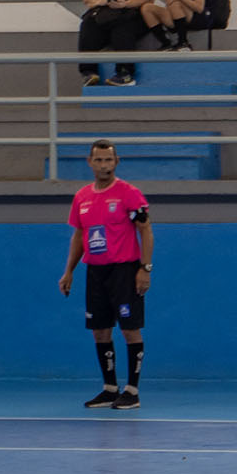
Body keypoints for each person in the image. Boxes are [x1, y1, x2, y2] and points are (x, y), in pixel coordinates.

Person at [59, 139, 153, 410]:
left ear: (116, 162)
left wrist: (144, 269)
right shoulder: (82, 197)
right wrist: (69, 271)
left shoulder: (129, 194)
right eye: (98, 160)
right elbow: (79, 235)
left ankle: (132, 391)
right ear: (90, 162)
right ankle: (110, 389)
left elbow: (146, 230)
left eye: (108, 160)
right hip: (95, 272)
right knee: (100, 331)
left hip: (124, 270)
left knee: (129, 329)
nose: (104, 165)